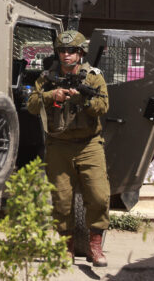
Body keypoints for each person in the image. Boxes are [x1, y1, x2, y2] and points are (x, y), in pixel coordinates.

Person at [27, 30, 110, 267]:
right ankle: (67, 248)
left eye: (71, 51)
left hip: (89, 144)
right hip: (59, 145)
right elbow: (31, 104)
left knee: (98, 195)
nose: (66, 55)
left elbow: (103, 106)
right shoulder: (46, 78)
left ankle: (95, 247)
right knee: (61, 199)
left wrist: (81, 100)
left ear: (80, 53)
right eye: (62, 50)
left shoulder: (93, 77)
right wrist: (53, 94)